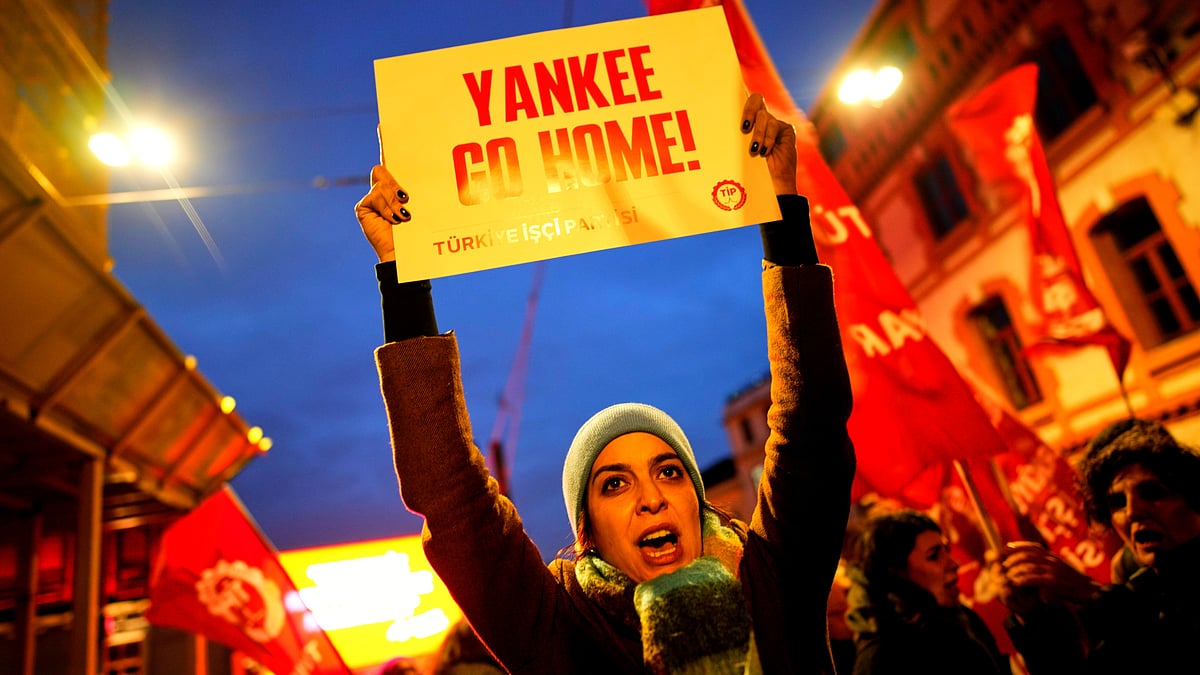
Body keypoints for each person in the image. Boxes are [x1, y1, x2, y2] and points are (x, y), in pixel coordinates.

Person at [355, 93, 856, 674]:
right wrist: (402, 273)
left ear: (697, 499)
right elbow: (450, 494)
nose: (651, 498)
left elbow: (811, 420)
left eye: (670, 472)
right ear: (586, 531)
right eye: (614, 484)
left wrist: (782, 203)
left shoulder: (772, 580)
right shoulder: (561, 630)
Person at [1000, 417, 1200, 674]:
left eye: (1153, 493)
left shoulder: (1128, 601)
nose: (1132, 512)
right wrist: (1033, 617)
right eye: (1117, 502)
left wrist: (1089, 591)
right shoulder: (1140, 590)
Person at [844, 509, 1013, 675]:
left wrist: (1028, 616)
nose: (954, 564)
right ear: (897, 573)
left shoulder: (967, 620)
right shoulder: (882, 658)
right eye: (933, 556)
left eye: (947, 550)